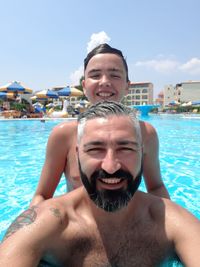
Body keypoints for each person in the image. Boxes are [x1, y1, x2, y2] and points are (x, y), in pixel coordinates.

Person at [0, 101, 199, 267]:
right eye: (96, 149)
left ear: (142, 153)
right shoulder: (45, 224)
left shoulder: (174, 223)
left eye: (125, 148)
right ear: (77, 155)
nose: (111, 166)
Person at [30, 43, 169, 207]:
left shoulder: (146, 133)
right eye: (95, 75)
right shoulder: (63, 135)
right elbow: (42, 195)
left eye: (114, 75)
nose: (104, 82)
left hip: (131, 227)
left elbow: (156, 187)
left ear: (127, 86)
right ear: (84, 86)